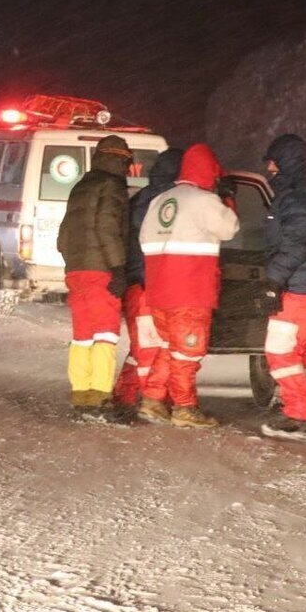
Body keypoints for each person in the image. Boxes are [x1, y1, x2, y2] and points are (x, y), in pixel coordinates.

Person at [138, 143, 239, 428]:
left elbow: (144, 240)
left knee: (169, 347)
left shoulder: (161, 200)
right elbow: (229, 229)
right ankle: (184, 407)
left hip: (158, 290)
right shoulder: (203, 200)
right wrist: (228, 199)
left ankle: (153, 400)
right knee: (187, 352)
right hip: (190, 290)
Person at [258, 134, 306, 441]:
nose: (268, 168)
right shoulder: (305, 189)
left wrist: (273, 278)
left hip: (297, 284)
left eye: (271, 161)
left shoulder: (294, 194)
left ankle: (299, 416)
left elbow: (296, 241)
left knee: (280, 348)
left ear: (281, 161)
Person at [56, 135, 133, 416]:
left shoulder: (81, 186)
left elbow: (63, 237)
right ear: (121, 160)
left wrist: (74, 261)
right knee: (105, 335)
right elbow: (107, 228)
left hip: (76, 270)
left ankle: (82, 394)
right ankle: (100, 395)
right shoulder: (111, 186)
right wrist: (117, 267)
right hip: (100, 270)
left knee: (83, 336)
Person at [114, 148, 184, 417]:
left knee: (142, 345)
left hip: (139, 281)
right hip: (145, 283)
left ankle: (126, 394)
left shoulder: (148, 196)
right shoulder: (164, 200)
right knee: (149, 346)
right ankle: (152, 401)